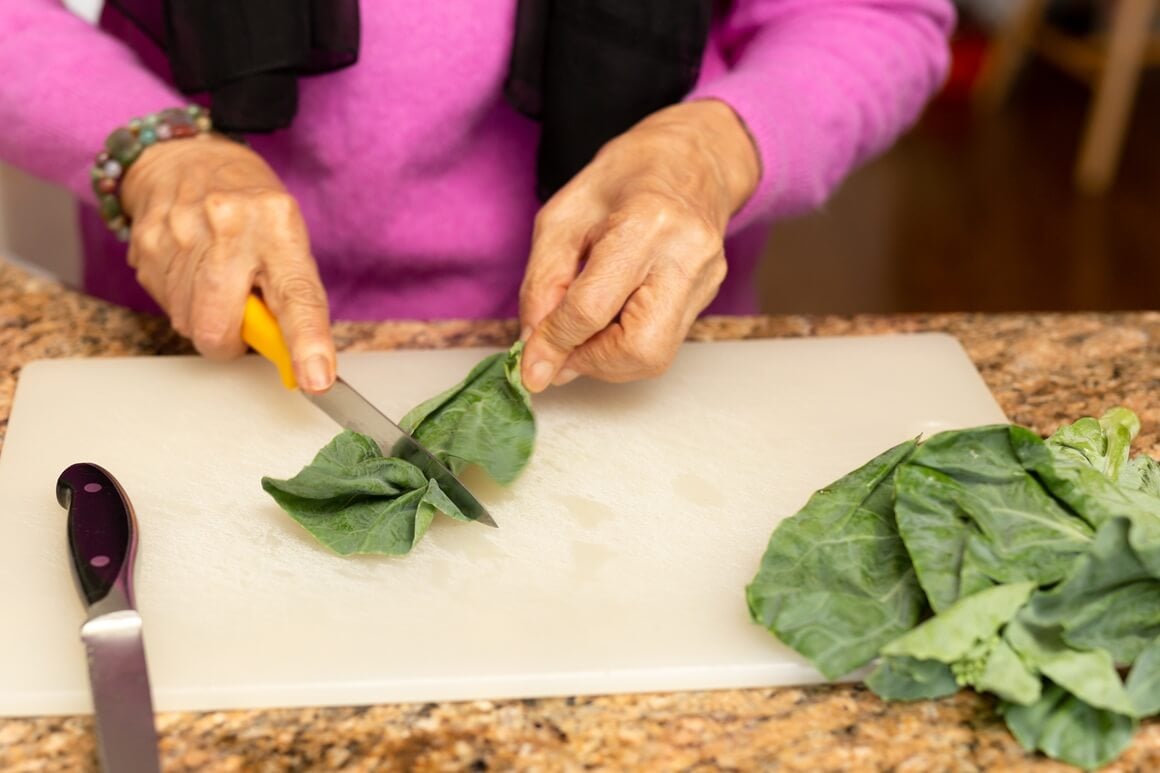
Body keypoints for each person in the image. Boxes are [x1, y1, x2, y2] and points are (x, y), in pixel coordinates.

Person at [0, 1, 954, 395]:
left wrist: (714, 149)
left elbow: (875, 16)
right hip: (193, 351)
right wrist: (147, 148)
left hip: (626, 369)